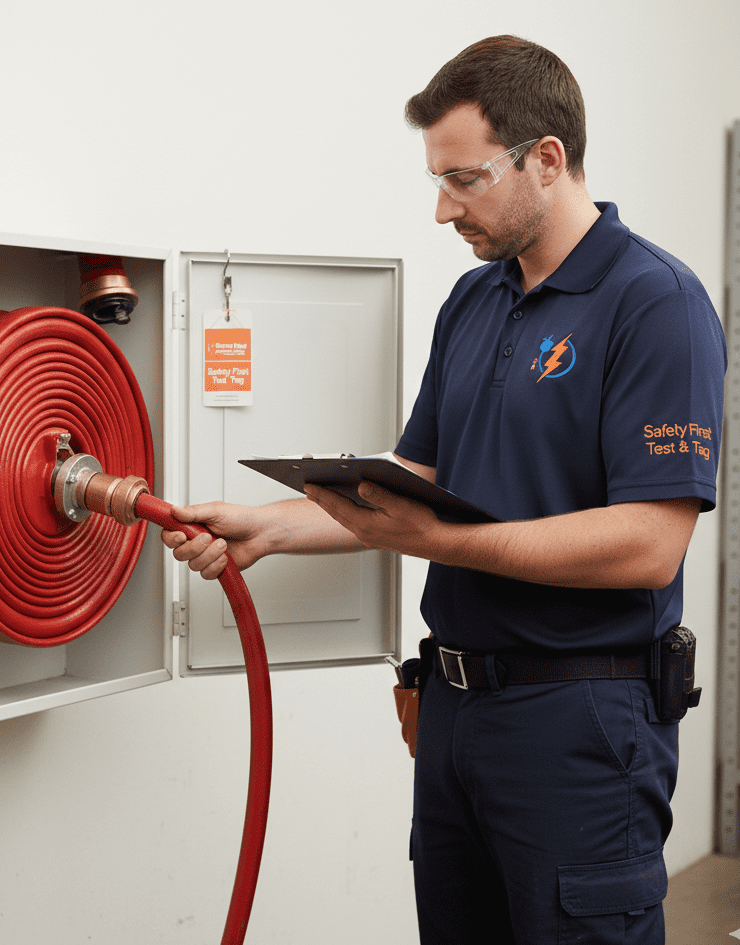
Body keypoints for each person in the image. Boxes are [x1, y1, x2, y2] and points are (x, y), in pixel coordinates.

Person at [162, 35, 726, 945]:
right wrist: (265, 525)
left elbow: (650, 542)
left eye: (464, 179)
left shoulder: (656, 302)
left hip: (580, 722)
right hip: (456, 715)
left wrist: (439, 542)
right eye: (437, 179)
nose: (440, 209)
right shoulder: (474, 303)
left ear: (547, 158)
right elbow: (416, 484)